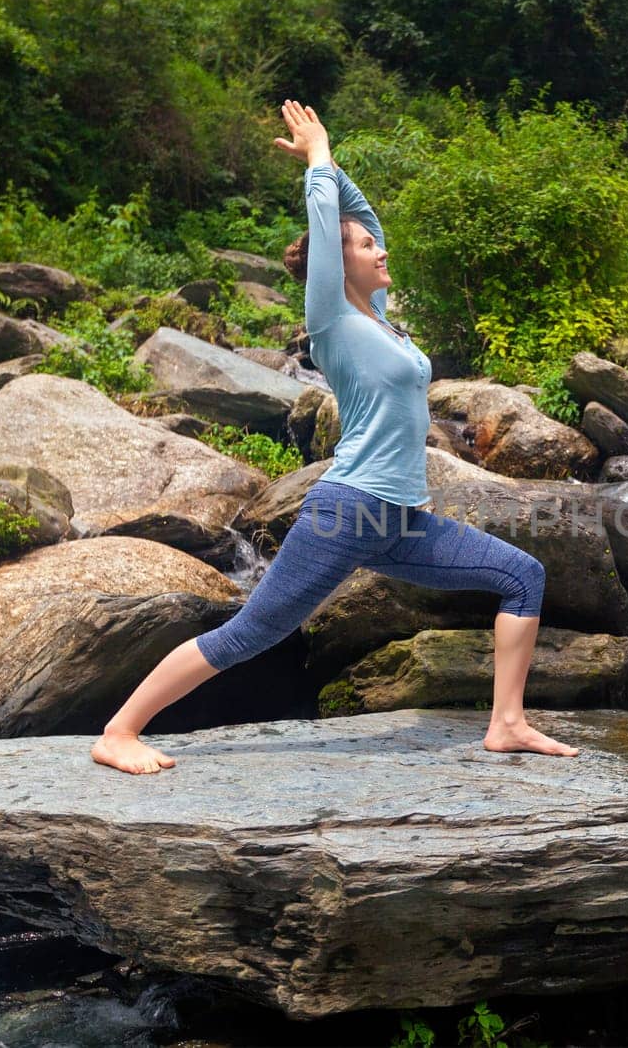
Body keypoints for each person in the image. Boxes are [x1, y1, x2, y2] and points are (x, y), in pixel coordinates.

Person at [91, 99, 581, 774]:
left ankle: (506, 722)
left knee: (522, 576)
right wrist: (316, 162)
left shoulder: (375, 316)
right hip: (346, 512)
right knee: (252, 631)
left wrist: (333, 164)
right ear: (334, 261)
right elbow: (331, 224)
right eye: (362, 247)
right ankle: (119, 730)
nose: (380, 249)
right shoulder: (332, 321)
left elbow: (361, 217)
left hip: (400, 518)